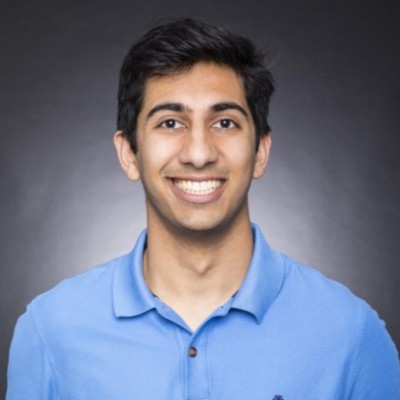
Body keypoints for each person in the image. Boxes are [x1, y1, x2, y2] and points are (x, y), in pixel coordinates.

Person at [6, 18, 400, 400]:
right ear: (129, 154)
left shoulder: (350, 334)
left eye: (225, 123)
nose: (198, 154)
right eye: (170, 123)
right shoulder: (50, 331)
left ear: (260, 152)